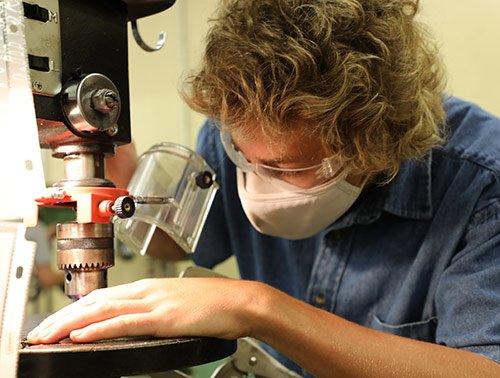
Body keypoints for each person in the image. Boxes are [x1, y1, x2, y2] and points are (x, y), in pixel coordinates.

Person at [27, 0, 500, 376]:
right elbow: (184, 243)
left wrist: (258, 307)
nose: (255, 180)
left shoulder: (483, 186)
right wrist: (117, 177)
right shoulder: (233, 131)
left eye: (285, 167)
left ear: (370, 147)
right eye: (243, 160)